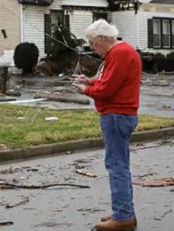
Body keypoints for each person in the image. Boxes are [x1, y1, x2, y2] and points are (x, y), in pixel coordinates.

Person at [76, 19, 141, 231]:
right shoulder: (119, 52)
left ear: (103, 39)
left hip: (117, 114)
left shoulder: (120, 53)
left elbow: (107, 90)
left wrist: (86, 91)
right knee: (120, 164)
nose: (93, 48)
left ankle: (123, 217)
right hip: (120, 114)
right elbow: (107, 82)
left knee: (117, 166)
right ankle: (124, 212)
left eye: (93, 43)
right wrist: (91, 82)